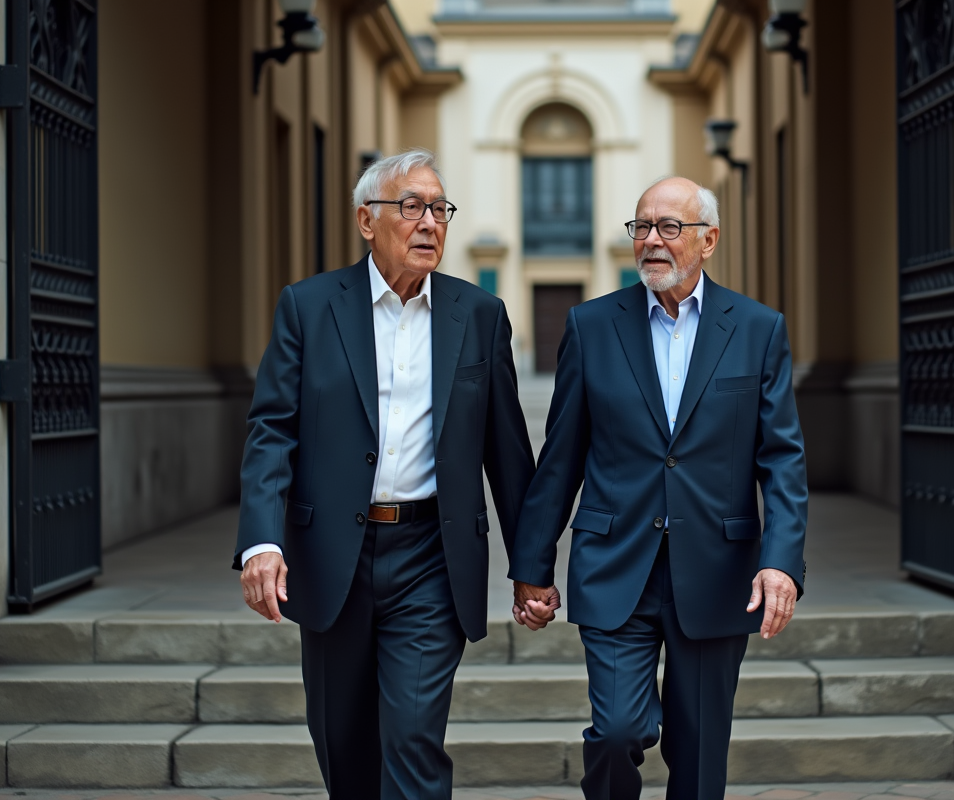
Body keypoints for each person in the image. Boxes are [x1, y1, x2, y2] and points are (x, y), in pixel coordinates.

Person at [234, 149, 535, 799]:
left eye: (439, 209)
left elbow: (507, 451)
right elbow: (271, 433)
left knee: (414, 739)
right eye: (412, 207)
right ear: (367, 221)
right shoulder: (308, 308)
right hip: (333, 553)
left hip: (431, 553)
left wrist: (531, 564)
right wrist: (263, 540)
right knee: (344, 747)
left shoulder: (478, 316)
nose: (430, 222)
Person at [509, 176, 808, 800]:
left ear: (709, 239)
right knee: (619, 731)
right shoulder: (591, 326)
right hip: (616, 565)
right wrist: (531, 567)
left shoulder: (757, 329)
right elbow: (561, 456)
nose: (651, 241)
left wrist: (780, 563)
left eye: (669, 228)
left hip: (718, 570)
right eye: (641, 227)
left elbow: (781, 460)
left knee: (699, 758)